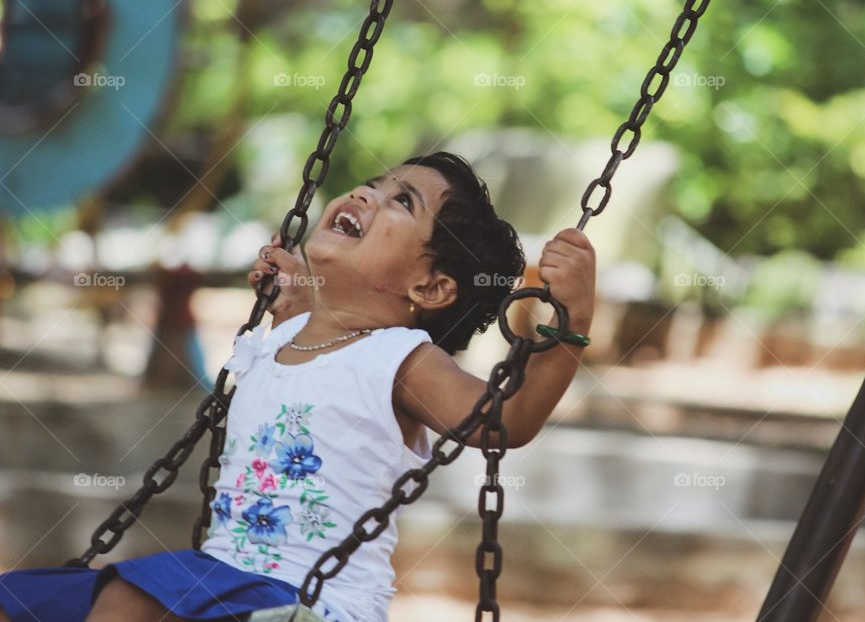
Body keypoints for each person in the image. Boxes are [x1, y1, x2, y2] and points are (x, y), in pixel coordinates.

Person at [0, 151, 596, 622]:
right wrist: (300, 299)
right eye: (373, 184)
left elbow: (503, 423)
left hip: (314, 600)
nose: (366, 193)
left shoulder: (402, 360)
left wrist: (572, 323)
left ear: (432, 288)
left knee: (130, 602)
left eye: (402, 202)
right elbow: (315, 354)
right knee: (21, 600)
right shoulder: (284, 334)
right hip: (222, 584)